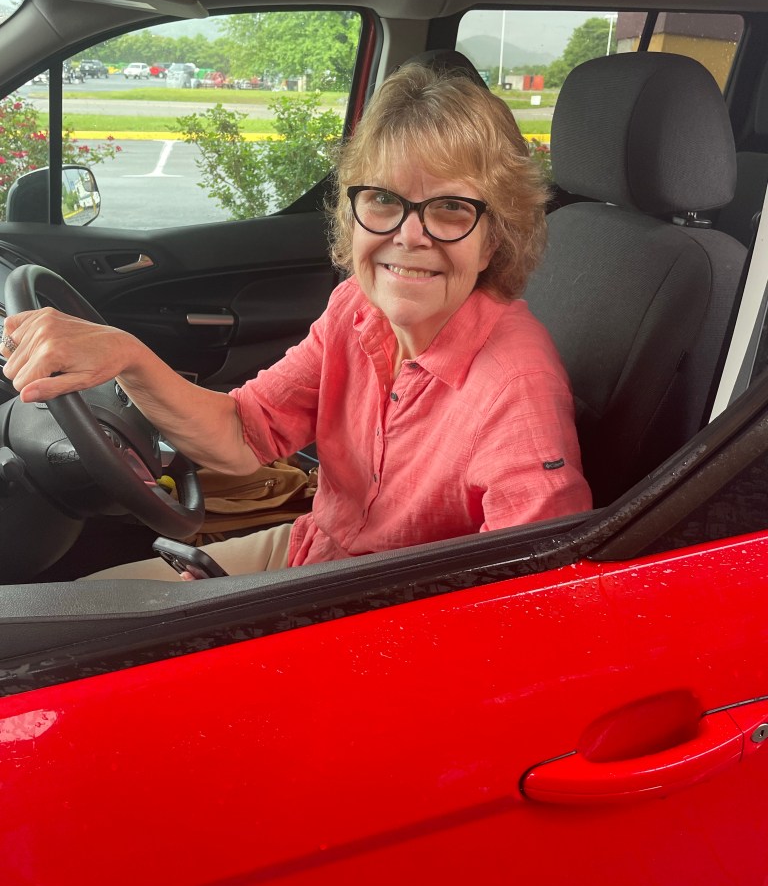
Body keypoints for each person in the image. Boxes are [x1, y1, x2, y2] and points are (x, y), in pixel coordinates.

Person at [0, 62, 592, 580]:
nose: (410, 235)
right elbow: (243, 435)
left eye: (451, 208)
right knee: (86, 611)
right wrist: (129, 358)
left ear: (494, 241)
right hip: (315, 549)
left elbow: (532, 593)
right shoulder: (355, 308)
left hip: (381, 611)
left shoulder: (517, 387)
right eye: (383, 199)